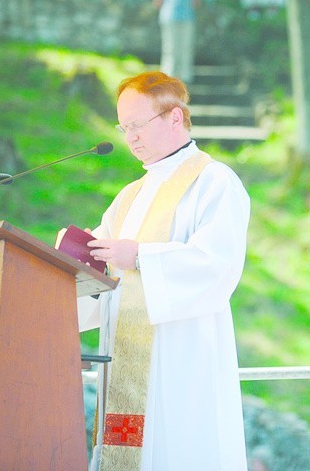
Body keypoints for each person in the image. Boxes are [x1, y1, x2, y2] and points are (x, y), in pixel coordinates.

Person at [78, 71, 250, 470]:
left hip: (182, 362)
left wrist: (138, 256)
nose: (131, 137)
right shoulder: (129, 196)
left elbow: (216, 266)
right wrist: (82, 256)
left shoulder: (214, 181)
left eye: (138, 125)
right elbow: (106, 267)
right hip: (123, 362)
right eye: (124, 128)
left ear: (175, 118)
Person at [152, 0, 200, 84]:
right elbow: (157, 0)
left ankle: (186, 77)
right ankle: (168, 76)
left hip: (187, 17)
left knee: (186, 47)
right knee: (169, 48)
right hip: (169, 17)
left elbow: (196, 0)